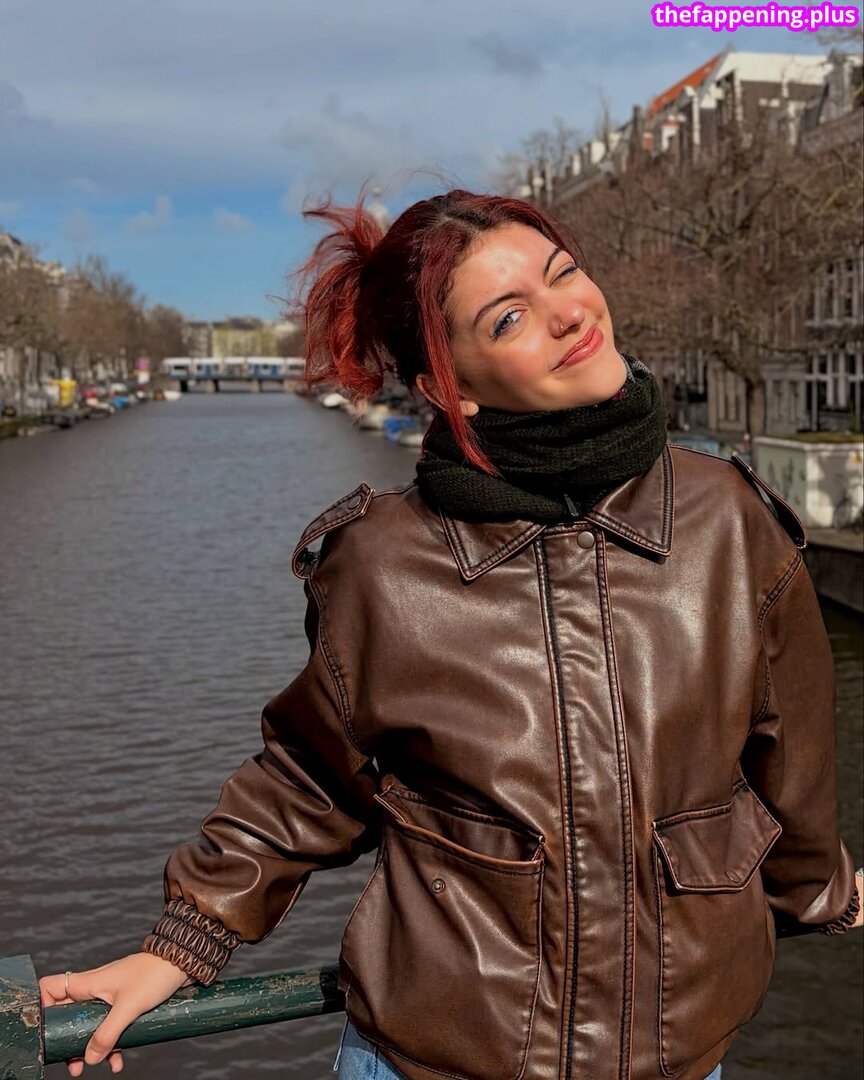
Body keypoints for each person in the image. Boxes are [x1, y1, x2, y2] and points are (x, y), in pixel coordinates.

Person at [40, 188, 863, 1080]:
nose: (569, 314)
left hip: (681, 1051)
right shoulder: (382, 561)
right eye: (509, 317)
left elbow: (792, 752)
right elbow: (312, 774)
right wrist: (184, 942)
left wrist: (819, 893)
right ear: (449, 388)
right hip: (435, 1054)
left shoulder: (731, 521)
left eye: (564, 274)